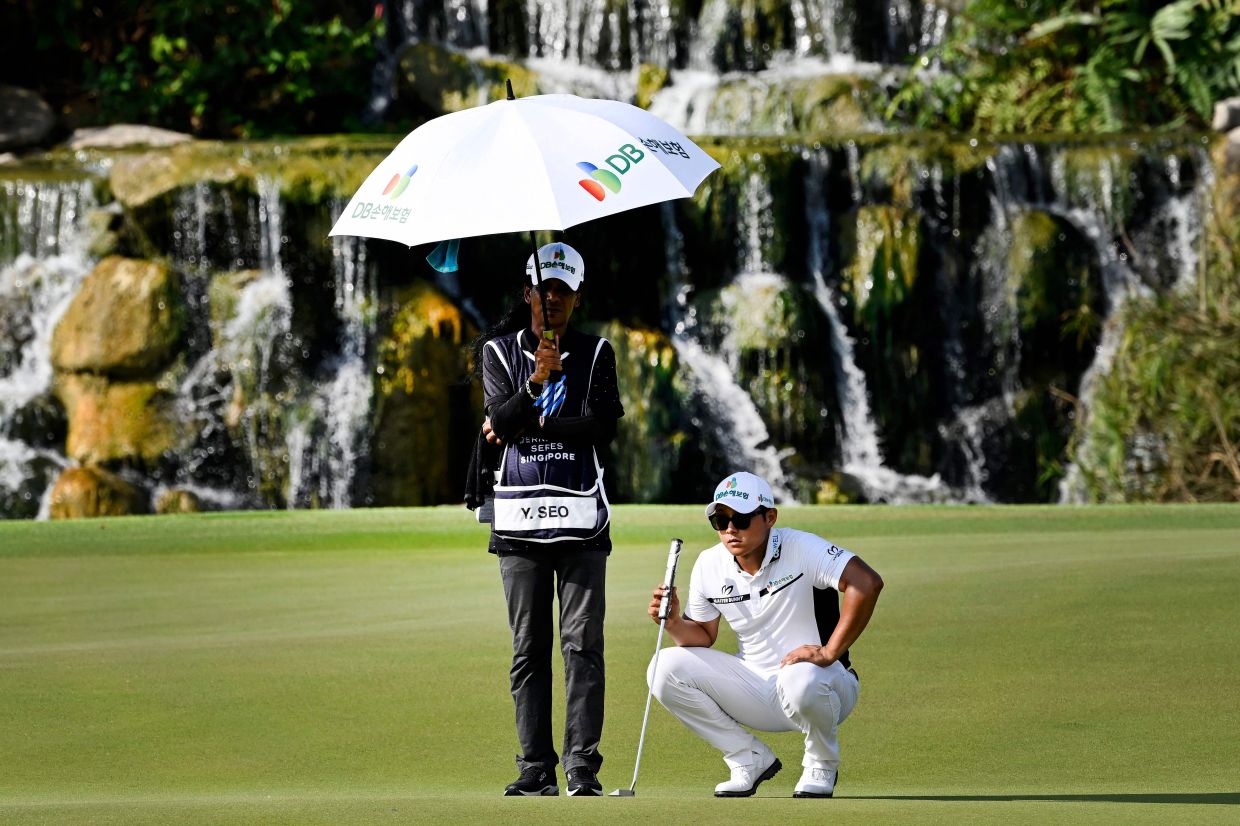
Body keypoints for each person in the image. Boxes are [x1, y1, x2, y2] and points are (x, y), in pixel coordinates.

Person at [474, 241, 624, 797]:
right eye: (544, 289)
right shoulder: (498, 352)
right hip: (518, 527)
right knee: (527, 651)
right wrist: (536, 382)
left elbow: (601, 428)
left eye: (563, 289)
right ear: (527, 294)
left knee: (583, 646)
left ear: (577, 297)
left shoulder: (598, 351)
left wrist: (528, 424)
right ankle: (535, 768)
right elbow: (499, 417)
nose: (552, 298)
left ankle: (582, 769)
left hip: (582, 523)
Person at [647, 471, 883, 798]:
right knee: (664, 667)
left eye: (741, 518)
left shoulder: (802, 547)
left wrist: (829, 652)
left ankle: (822, 762)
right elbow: (702, 636)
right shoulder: (709, 564)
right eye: (720, 519)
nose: (730, 528)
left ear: (770, 517)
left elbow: (866, 584)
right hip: (756, 689)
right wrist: (673, 621)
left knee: (800, 676)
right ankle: (748, 758)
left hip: (826, 687)